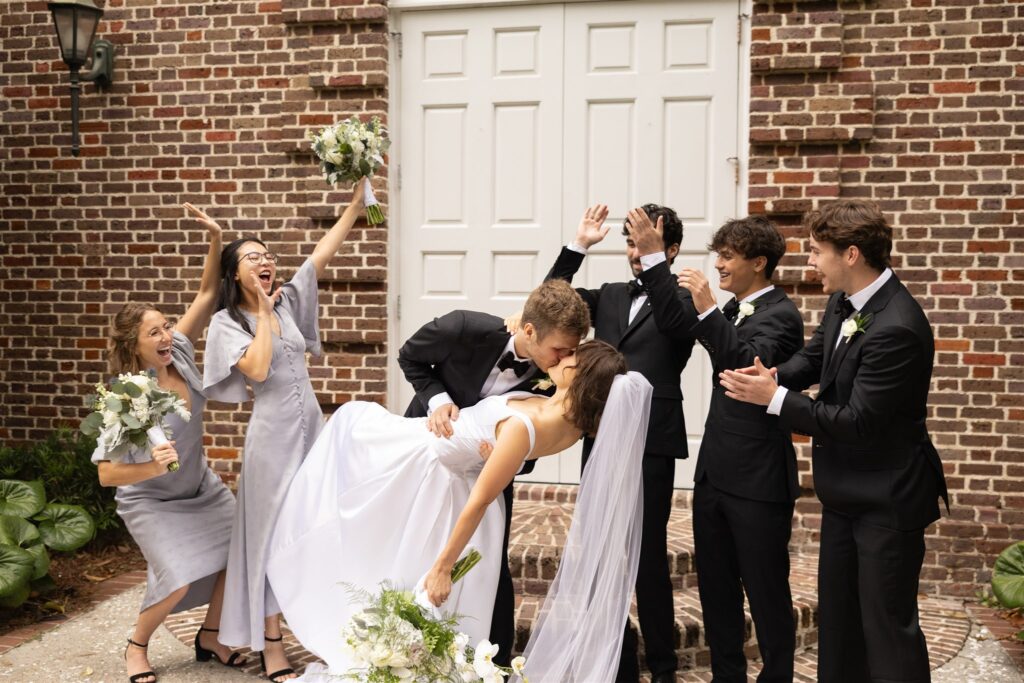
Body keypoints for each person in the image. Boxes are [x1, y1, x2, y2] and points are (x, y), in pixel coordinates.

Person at [265, 339, 652, 682]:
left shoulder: (528, 424)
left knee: (382, 549)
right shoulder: (569, 424)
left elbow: (480, 500)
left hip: (439, 478)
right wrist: (497, 457)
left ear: (579, 376)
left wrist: (443, 567)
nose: (565, 355)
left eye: (574, 357)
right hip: (444, 463)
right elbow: (512, 454)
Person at [719, 199, 948, 682]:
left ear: (850, 255)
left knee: (887, 630)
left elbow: (858, 420)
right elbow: (815, 357)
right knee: (839, 625)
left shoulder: (897, 328)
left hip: (888, 500)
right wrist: (775, 374)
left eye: (817, 251)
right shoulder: (845, 300)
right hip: (845, 494)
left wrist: (775, 398)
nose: (810, 261)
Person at [201, 181, 365, 682]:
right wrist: (267, 317)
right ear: (234, 273)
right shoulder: (229, 323)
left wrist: (356, 208)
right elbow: (255, 369)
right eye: (251, 257)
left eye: (267, 255)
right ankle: (271, 641)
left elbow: (320, 256)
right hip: (271, 441)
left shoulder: (289, 299)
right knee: (271, 537)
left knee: (310, 529)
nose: (264, 261)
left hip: (311, 431)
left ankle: (313, 623)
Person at [632, 213, 804, 681]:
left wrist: (708, 308)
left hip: (759, 482)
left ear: (759, 262)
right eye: (719, 255)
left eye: (728, 257)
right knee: (717, 593)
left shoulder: (782, 316)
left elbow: (742, 369)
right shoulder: (728, 311)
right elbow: (671, 320)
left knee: (767, 595)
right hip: (715, 476)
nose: (719, 265)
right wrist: (653, 258)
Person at [396, 278, 590, 664]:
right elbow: (410, 356)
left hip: (490, 472)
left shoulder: (557, 376)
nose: (566, 359)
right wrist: (438, 400)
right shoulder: (463, 327)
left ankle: (493, 662)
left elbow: (536, 441)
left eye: (572, 350)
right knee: (416, 544)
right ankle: (406, 649)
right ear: (529, 331)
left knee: (490, 564)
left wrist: (506, 456)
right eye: (558, 349)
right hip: (432, 454)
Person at [545, 203, 699, 683]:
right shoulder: (608, 295)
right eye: (631, 243)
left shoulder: (685, 298)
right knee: (600, 547)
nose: (636, 252)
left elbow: (676, 329)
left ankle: (665, 668)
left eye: (647, 243)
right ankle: (614, 658)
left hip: (653, 440)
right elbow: (550, 303)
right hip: (601, 434)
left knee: (647, 554)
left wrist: (655, 263)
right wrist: (578, 246)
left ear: (671, 249)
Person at [92, 205, 244, 683]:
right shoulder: (126, 397)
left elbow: (205, 293)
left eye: (165, 325)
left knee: (239, 555)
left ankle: (211, 636)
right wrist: (154, 469)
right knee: (176, 578)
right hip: (150, 501)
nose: (166, 334)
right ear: (134, 346)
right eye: (153, 332)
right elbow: (107, 474)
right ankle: (137, 647)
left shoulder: (177, 350)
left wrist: (216, 237)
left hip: (201, 488)